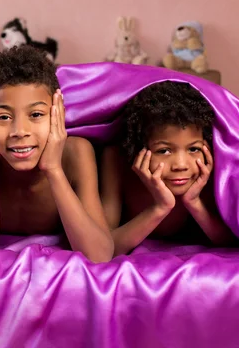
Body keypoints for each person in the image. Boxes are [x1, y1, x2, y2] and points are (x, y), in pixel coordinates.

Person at [0, 45, 113, 263]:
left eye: (36, 114)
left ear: (57, 113)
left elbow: (99, 254)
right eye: (3, 117)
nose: (20, 131)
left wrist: (54, 169)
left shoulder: (76, 153)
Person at [100, 81, 235, 255]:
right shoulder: (116, 161)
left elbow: (230, 243)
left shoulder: (207, 170)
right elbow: (105, 248)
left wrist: (194, 203)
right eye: (164, 151)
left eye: (193, 149)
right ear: (138, 149)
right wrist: (160, 207)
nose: (180, 165)